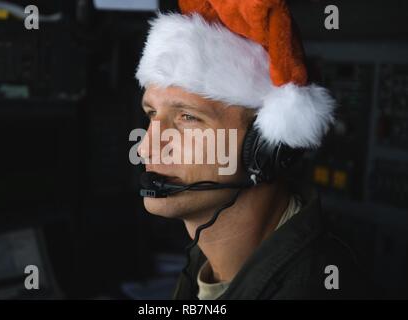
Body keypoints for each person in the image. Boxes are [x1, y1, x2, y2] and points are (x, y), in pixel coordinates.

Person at [134, 0, 374, 299]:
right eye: (152, 115)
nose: (146, 148)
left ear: (264, 147)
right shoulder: (206, 261)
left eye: (188, 118)